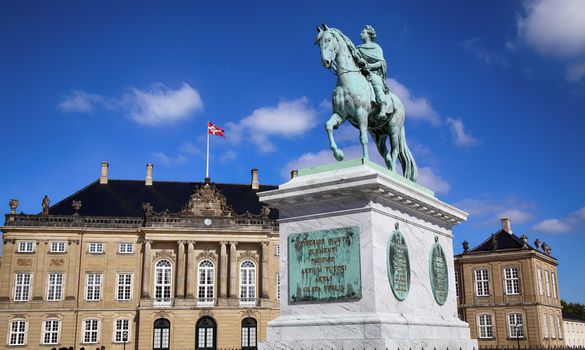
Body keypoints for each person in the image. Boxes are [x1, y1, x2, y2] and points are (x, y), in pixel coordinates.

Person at [356, 25, 392, 118]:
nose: (360, 34)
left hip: (373, 73)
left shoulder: (376, 47)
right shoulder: (358, 49)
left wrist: (370, 66)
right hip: (360, 73)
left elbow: (381, 62)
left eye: (363, 32)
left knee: (376, 83)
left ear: (369, 35)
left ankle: (382, 108)